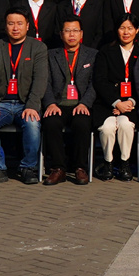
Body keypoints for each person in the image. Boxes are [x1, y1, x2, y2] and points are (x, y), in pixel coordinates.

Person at [0, 10, 47, 184]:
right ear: (5, 26)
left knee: (32, 124)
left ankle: (28, 167)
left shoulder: (38, 47)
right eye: (11, 23)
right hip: (1, 103)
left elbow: (40, 79)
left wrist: (32, 105)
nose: (15, 28)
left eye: (19, 23)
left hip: (26, 103)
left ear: (27, 26)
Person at [42, 16, 97, 184]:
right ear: (61, 34)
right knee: (51, 122)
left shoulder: (92, 55)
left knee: (82, 123)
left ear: (81, 33)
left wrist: (85, 103)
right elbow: (45, 82)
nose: (71, 35)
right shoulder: (50, 55)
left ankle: (80, 168)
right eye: (67, 31)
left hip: (80, 104)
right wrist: (50, 103)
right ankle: (58, 168)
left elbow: (94, 83)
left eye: (75, 31)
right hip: (58, 104)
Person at [93, 15, 139, 179]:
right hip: (107, 103)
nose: (126, 32)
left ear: (136, 30)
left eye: (130, 28)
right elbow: (100, 80)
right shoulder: (105, 51)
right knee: (107, 127)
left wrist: (130, 102)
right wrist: (116, 103)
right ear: (117, 30)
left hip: (131, 104)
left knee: (125, 125)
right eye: (122, 28)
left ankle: (125, 163)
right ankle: (108, 163)